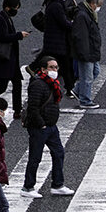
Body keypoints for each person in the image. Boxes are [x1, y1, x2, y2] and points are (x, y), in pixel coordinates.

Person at [20, 56, 75, 198]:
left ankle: (57, 185)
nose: (55, 70)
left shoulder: (52, 83)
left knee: (59, 153)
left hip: (51, 126)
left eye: (56, 67)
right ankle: (28, 187)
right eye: (51, 67)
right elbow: (33, 107)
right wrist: (41, 124)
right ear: (43, 69)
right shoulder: (38, 84)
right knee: (35, 157)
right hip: (40, 127)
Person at [72, 0, 103, 109]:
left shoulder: (87, 13)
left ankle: (77, 90)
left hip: (91, 51)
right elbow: (81, 37)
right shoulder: (82, 15)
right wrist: (84, 55)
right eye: (98, 5)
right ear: (92, 3)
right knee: (87, 77)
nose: (98, 8)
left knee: (95, 71)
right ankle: (85, 100)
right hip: (86, 52)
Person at [41, 0, 76, 98]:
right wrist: (74, 24)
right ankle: (70, 89)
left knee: (61, 65)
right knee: (65, 66)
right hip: (57, 41)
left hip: (54, 41)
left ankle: (68, 88)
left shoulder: (53, 3)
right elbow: (63, 22)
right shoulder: (56, 5)